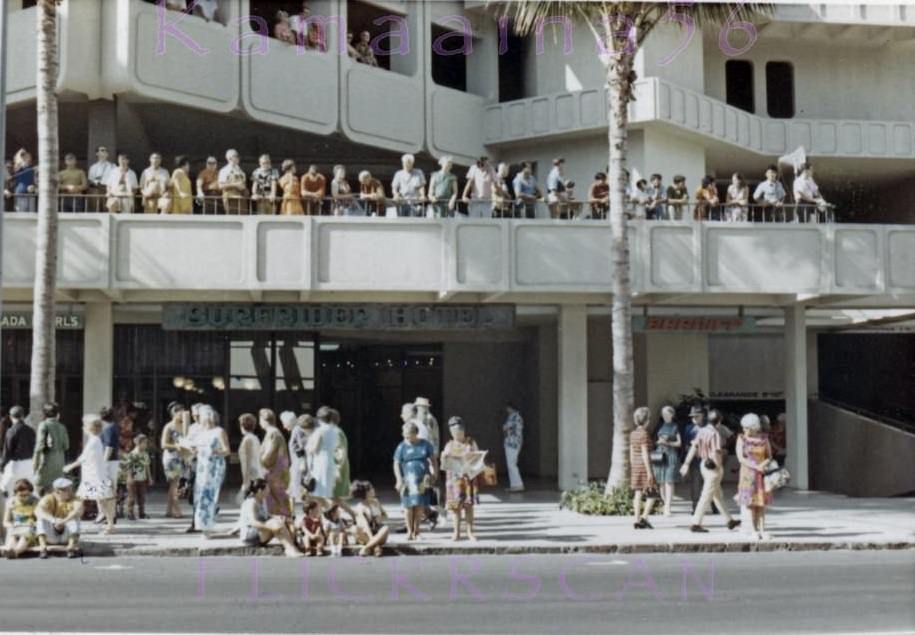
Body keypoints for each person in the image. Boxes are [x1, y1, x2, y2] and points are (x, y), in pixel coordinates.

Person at [679, 406, 741, 533]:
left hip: (703, 463)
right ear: (719, 421)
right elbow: (716, 453)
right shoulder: (715, 434)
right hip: (713, 466)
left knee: (717, 495)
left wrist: (686, 463)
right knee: (706, 495)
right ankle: (696, 523)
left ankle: (729, 520)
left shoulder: (702, 431)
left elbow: (694, 447)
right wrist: (718, 466)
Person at [64, 415, 116, 534]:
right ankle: (109, 525)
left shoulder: (93, 441)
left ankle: (110, 525)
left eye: (84, 425)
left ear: (90, 428)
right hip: (94, 475)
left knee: (94, 500)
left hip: (95, 476)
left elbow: (84, 458)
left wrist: (69, 467)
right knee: (100, 500)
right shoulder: (95, 440)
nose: (83, 428)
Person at [393, 422, 437, 541]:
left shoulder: (425, 445)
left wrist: (435, 473)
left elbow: (433, 459)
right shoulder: (402, 446)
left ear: (415, 434)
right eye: (405, 435)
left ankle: (417, 531)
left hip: (422, 479)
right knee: (408, 506)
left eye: (409, 435)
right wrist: (398, 479)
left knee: (419, 505)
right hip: (407, 480)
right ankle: (409, 531)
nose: (406, 438)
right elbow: (396, 463)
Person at [238, 478, 303, 557]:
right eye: (267, 488)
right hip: (250, 535)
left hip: (261, 532)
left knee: (285, 522)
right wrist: (270, 526)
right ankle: (289, 548)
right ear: (259, 491)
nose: (269, 491)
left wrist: (279, 517)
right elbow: (253, 522)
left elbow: (266, 515)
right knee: (276, 526)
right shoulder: (251, 502)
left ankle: (293, 546)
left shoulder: (263, 500)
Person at [191, 405, 230, 535]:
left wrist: (214, 451)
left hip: (214, 467)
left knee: (209, 495)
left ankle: (207, 525)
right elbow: (195, 449)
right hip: (202, 467)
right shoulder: (201, 433)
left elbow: (227, 450)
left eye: (201, 416)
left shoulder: (219, 431)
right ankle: (201, 524)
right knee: (199, 495)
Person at [440, 417, 479, 542]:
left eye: (459, 432)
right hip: (454, 482)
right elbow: (443, 464)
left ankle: (470, 532)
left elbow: (478, 458)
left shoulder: (471, 443)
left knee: (468, 507)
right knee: (455, 509)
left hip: (468, 480)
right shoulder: (449, 445)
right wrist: (443, 457)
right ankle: (456, 532)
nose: (457, 434)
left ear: (464, 431)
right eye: (454, 432)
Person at [736, 413, 773, 540]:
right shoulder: (741, 438)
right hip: (747, 474)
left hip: (761, 475)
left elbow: (769, 456)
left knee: (761, 503)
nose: (744, 430)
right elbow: (741, 458)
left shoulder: (764, 438)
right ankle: (753, 530)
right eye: (744, 427)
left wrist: (762, 465)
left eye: (746, 427)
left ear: (753, 427)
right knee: (751, 503)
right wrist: (755, 466)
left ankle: (763, 530)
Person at [35, 477, 83, 559]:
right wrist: (54, 520)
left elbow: (77, 511)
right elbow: (37, 511)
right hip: (51, 534)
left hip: (67, 534)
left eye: (70, 489)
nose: (69, 492)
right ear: (57, 491)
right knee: (40, 519)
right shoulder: (49, 498)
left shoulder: (75, 498)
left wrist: (63, 521)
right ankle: (43, 548)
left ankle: (70, 548)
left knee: (75, 518)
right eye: (65, 490)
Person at [258, 409, 291, 518]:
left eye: (260, 420)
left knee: (278, 498)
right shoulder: (273, 433)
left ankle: (285, 523)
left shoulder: (273, 434)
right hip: (275, 472)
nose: (259, 423)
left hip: (275, 473)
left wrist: (261, 462)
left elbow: (269, 454)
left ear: (264, 420)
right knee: (277, 499)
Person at [32, 403, 69, 496]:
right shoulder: (62, 427)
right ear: (58, 414)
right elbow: (66, 446)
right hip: (59, 463)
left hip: (46, 462)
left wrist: (34, 464)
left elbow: (39, 446)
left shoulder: (43, 425)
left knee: (39, 492)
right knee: (56, 493)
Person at [629, 407, 657, 529]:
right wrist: (649, 471)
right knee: (653, 492)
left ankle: (636, 519)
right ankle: (644, 518)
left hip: (635, 464)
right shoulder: (644, 434)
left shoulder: (633, 434)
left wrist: (633, 464)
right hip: (644, 465)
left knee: (638, 492)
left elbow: (631, 451)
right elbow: (645, 453)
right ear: (646, 421)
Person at [160, 402, 188, 518]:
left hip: (181, 457)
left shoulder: (184, 426)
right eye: (180, 412)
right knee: (174, 484)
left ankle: (169, 510)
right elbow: (163, 444)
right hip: (171, 457)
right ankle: (177, 510)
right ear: (174, 413)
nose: (182, 415)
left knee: (174, 484)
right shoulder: (169, 426)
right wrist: (175, 446)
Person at [1, 405, 35, 498]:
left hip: (16, 465)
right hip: (29, 463)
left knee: (8, 488)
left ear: (11, 417)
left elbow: (7, 451)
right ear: (23, 416)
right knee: (30, 489)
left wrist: (2, 465)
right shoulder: (31, 430)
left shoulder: (11, 431)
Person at [653, 405, 681, 516]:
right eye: (663, 414)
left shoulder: (675, 426)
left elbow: (679, 443)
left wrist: (667, 443)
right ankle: (665, 504)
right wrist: (658, 442)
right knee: (661, 482)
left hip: (671, 455)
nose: (664, 416)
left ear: (672, 415)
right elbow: (654, 441)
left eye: (666, 414)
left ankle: (668, 506)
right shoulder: (659, 426)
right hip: (660, 455)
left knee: (669, 481)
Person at [349, 480, 388, 557]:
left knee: (386, 528)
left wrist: (380, 518)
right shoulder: (360, 507)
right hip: (366, 534)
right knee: (353, 529)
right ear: (366, 493)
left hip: (378, 532)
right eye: (371, 489)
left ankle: (367, 547)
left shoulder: (376, 502)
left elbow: (385, 515)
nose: (373, 490)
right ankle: (375, 546)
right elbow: (365, 526)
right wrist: (372, 539)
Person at [2, 479, 38, 559]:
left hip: (30, 526)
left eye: (26, 495)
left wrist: (34, 524)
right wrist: (11, 526)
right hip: (16, 526)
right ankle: (10, 550)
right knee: (13, 536)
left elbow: (39, 519)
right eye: (21, 495)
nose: (24, 498)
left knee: (25, 536)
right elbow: (5, 522)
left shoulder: (35, 501)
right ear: (16, 494)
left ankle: (15, 551)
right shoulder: (11, 502)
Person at [286, 413, 313, 514]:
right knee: (296, 488)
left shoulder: (301, 429)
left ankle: (308, 512)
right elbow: (295, 446)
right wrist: (301, 458)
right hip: (300, 462)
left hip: (306, 463)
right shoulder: (297, 429)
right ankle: (292, 514)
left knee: (306, 488)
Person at [682, 405, 704, 514]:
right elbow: (685, 445)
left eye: (697, 416)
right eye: (692, 416)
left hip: (706, 460)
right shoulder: (688, 428)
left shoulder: (707, 428)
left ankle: (714, 506)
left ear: (702, 416)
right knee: (695, 484)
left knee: (710, 484)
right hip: (694, 460)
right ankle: (695, 507)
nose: (694, 418)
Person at [125, 435, 152, 520]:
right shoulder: (132, 454)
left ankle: (142, 512)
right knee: (131, 497)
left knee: (142, 497)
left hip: (142, 478)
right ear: (138, 443)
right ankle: (130, 513)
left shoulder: (145, 454)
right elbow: (129, 467)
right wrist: (129, 477)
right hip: (133, 478)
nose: (146, 445)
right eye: (144, 443)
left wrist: (149, 477)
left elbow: (147, 466)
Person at [218, 149, 248, 215]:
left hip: (241, 200)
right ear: (229, 158)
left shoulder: (240, 170)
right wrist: (235, 185)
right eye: (236, 156)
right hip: (230, 199)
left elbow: (243, 185)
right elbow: (220, 186)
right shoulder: (224, 170)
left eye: (238, 156)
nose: (238, 158)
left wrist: (245, 190)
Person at [502, 403, 524, 492]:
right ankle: (515, 485)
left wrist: (505, 428)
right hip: (515, 443)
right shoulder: (517, 417)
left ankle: (518, 484)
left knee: (511, 464)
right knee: (512, 464)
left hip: (512, 443)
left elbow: (505, 427)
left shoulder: (514, 417)